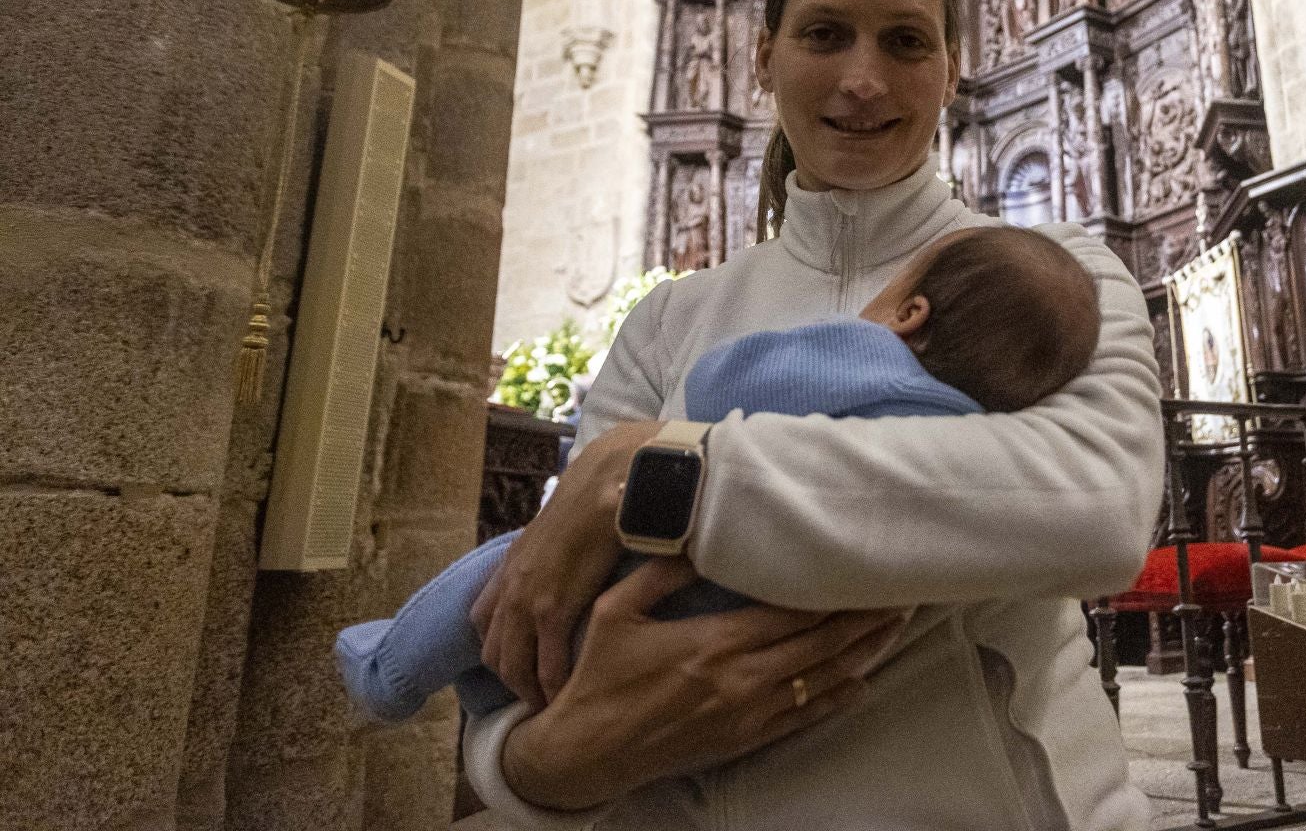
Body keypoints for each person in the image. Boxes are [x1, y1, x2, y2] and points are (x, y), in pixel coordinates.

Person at [461, 0, 1163, 828]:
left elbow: (1093, 508)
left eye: (905, 42)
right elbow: (555, 612)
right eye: (825, 34)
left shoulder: (1050, 277)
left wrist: (652, 475)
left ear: (951, 69)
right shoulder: (672, 320)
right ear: (763, 57)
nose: (863, 79)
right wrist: (537, 770)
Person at [334, 225, 1101, 723]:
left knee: (501, 573)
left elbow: (723, 386)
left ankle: (388, 668)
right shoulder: (976, 432)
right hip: (767, 632)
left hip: (670, 566)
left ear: (910, 314)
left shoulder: (864, 356)